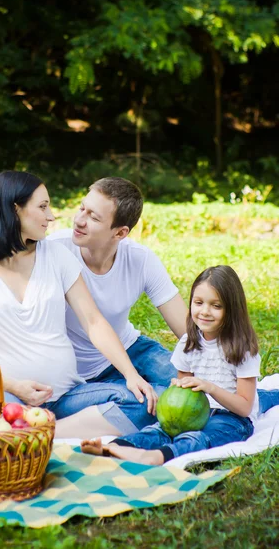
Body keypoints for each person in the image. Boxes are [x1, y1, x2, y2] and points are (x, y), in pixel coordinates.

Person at [0, 170, 158, 439]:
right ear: (14, 209)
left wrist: (130, 374)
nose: (52, 216)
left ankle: (40, 436)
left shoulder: (56, 255)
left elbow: (93, 321)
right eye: (43, 207)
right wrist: (15, 386)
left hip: (65, 397)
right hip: (3, 395)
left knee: (143, 404)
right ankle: (37, 434)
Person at [48, 177, 278, 426]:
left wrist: (221, 360)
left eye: (93, 217)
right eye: (82, 208)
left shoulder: (140, 260)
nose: (79, 220)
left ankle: (261, 398)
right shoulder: (55, 251)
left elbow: (186, 325)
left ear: (120, 232)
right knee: (160, 401)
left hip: (130, 348)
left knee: (198, 389)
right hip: (79, 372)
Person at [81, 265, 262, 464]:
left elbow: (245, 407)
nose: (205, 311)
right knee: (158, 429)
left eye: (216, 306)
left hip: (232, 419)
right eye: (198, 303)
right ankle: (117, 447)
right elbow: (182, 390)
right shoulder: (188, 343)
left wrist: (210, 388)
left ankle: (157, 456)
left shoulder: (242, 350)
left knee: (200, 438)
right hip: (195, 414)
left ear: (232, 309)